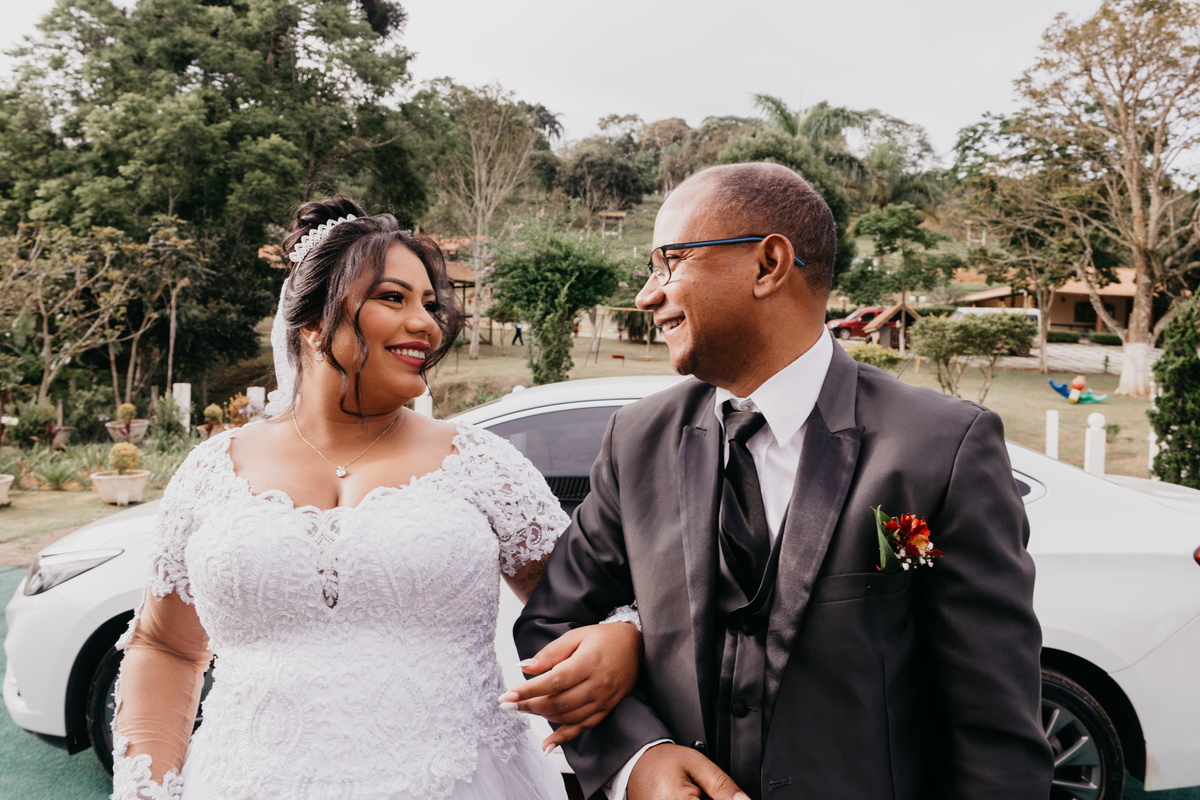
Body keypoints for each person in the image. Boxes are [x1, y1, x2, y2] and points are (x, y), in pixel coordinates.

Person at [513, 163, 1054, 800]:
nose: (646, 294)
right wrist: (641, 761)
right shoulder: (637, 440)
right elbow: (550, 628)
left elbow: (992, 725)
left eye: (668, 262)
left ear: (769, 265)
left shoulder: (938, 450)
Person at [110, 197, 642, 800]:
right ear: (311, 321)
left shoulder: (482, 465)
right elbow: (166, 647)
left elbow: (590, 609)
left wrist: (623, 636)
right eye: (395, 298)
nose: (427, 325)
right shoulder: (211, 471)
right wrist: (147, 789)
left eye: (430, 305)